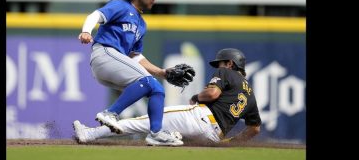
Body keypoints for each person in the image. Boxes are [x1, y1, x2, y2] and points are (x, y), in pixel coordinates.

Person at [77, 0, 188, 146]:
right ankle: (110, 113)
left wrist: (162, 73)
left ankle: (156, 133)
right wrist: (86, 31)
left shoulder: (142, 24)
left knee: (156, 89)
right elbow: (95, 16)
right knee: (147, 81)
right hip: (105, 53)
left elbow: (135, 56)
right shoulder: (121, 6)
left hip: (114, 61)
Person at [73, 48, 262, 145]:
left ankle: (90, 134)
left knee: (143, 122)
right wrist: (228, 143)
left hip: (199, 119)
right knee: (167, 139)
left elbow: (213, 93)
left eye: (221, 63)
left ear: (230, 63)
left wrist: (196, 96)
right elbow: (254, 129)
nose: (219, 66)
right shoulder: (250, 94)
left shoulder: (227, 73)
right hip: (213, 137)